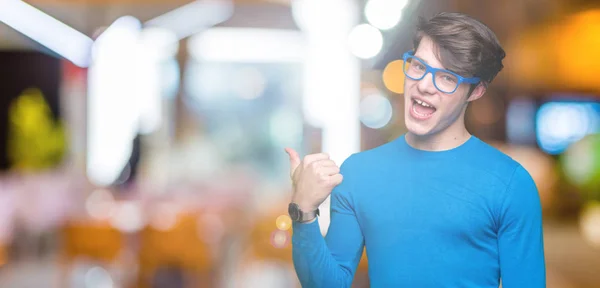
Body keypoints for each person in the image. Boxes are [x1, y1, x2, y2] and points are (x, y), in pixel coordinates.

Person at [284, 12, 546, 288]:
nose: (423, 85)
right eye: (419, 66)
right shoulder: (359, 172)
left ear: (476, 91)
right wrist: (303, 210)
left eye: (446, 78)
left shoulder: (510, 184)